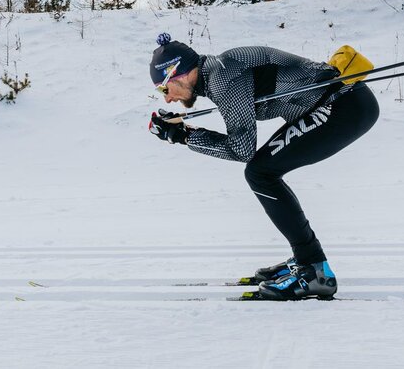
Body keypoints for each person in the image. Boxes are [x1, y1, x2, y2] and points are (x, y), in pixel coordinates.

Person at [147, 33, 379, 300]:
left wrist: (184, 136)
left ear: (178, 74)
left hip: (343, 107)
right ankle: (305, 259)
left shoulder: (224, 79)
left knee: (260, 172)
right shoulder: (219, 72)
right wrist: (186, 130)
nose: (166, 99)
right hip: (340, 102)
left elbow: (242, 149)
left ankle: (314, 270)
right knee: (263, 171)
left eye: (163, 89)